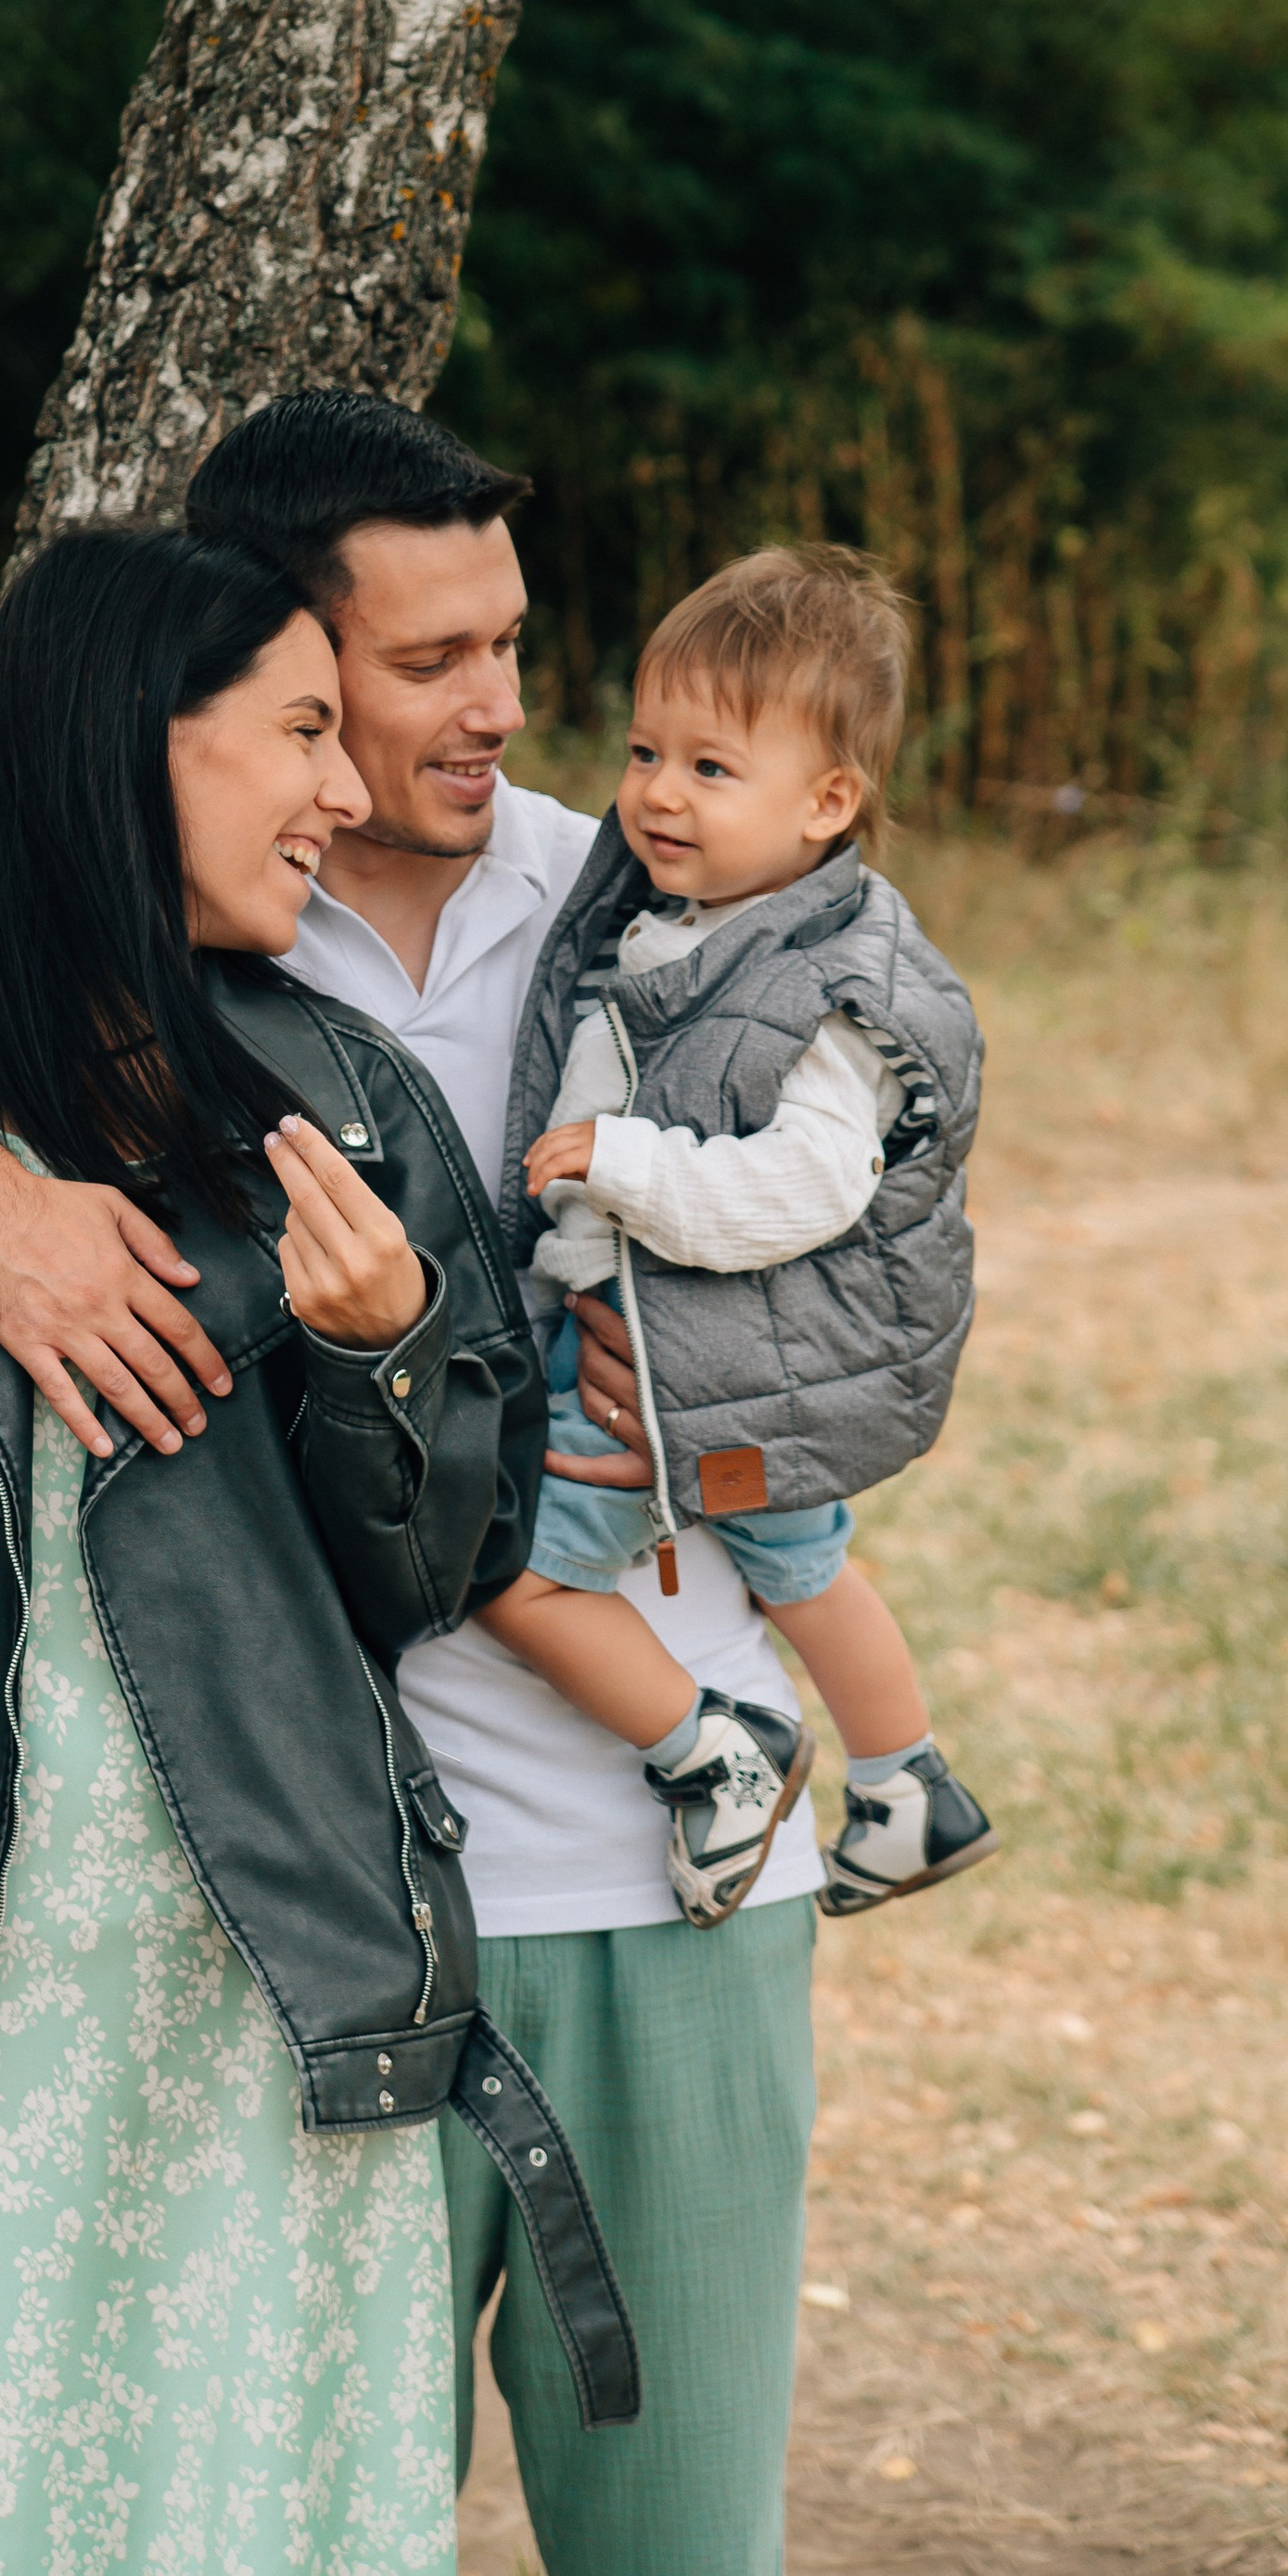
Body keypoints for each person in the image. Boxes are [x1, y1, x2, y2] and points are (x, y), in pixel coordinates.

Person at [0, 399, 816, 2576]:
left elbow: (436, 1557)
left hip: (280, 1948)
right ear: (136, 745)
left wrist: (372, 1349)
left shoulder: (352, 1080)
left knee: (267, 2547)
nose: (352, 782)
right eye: (305, 723)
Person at [483, 545, 997, 1929]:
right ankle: (908, 1787)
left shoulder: (836, 988)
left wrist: (626, 1163)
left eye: (711, 768)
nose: (656, 791)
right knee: (804, 1564)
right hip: (709, 1351)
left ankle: (711, 1749)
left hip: (705, 1354)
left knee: (520, 1580)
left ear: (829, 802)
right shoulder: (690, 923)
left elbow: (807, 1188)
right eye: (646, 750)